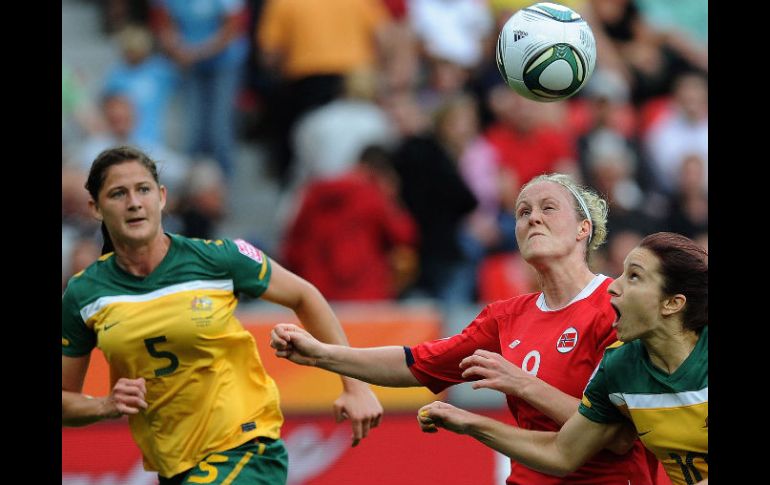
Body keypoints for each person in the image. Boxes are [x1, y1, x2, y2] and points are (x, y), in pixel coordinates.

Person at [270, 173, 657, 484]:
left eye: (548, 208)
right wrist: (323, 354)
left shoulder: (617, 307)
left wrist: (521, 384)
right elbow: (416, 363)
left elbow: (618, 437)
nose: (532, 218)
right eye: (523, 212)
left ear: (583, 229)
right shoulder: (505, 317)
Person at [61, 146, 383, 485]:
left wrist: (355, 385)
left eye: (143, 189)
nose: (134, 202)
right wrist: (104, 405)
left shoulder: (218, 259)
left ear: (162, 197)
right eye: (117, 193)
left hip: (245, 448)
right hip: (175, 467)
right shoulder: (85, 293)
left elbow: (305, 295)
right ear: (95, 208)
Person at [415, 231, 708, 485]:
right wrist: (471, 424)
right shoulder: (619, 366)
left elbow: (619, 443)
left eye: (634, 277)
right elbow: (562, 453)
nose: (614, 287)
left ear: (673, 303)